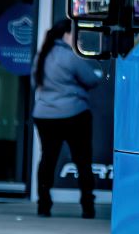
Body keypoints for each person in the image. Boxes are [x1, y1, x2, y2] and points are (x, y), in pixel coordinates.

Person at [31, 19, 104, 217]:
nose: (77, 39)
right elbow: (91, 79)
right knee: (82, 160)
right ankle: (87, 206)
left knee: (47, 159)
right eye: (75, 35)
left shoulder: (42, 55)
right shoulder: (70, 56)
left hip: (44, 115)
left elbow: (34, 81)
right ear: (66, 34)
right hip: (74, 115)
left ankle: (43, 204)